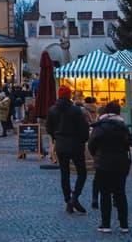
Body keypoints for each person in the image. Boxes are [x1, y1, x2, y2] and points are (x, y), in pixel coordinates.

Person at [46, 84, 90, 214]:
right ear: (69, 95)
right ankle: (74, 198)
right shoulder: (75, 110)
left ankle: (68, 200)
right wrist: (82, 140)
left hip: (61, 145)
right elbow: (84, 128)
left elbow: (49, 128)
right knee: (82, 172)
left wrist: (56, 138)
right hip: (75, 144)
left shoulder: (52, 110)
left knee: (64, 174)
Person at [89, 100, 131, 233]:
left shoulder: (99, 126)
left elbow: (92, 145)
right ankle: (124, 225)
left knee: (105, 194)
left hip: (103, 163)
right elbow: (127, 144)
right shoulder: (123, 127)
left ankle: (106, 224)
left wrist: (97, 155)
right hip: (120, 163)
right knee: (120, 193)